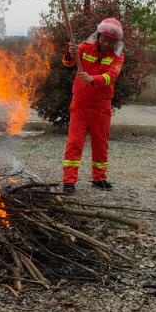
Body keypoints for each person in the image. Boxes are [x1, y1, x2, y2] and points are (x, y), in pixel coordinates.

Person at [61, 18, 126, 194]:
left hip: (101, 107)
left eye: (111, 40)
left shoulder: (118, 56)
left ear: (116, 41)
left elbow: (111, 76)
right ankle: (69, 181)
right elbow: (68, 62)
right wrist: (70, 53)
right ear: (98, 36)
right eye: (104, 38)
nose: (106, 43)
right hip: (80, 105)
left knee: (101, 144)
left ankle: (99, 178)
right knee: (74, 143)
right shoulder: (83, 47)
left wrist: (92, 79)